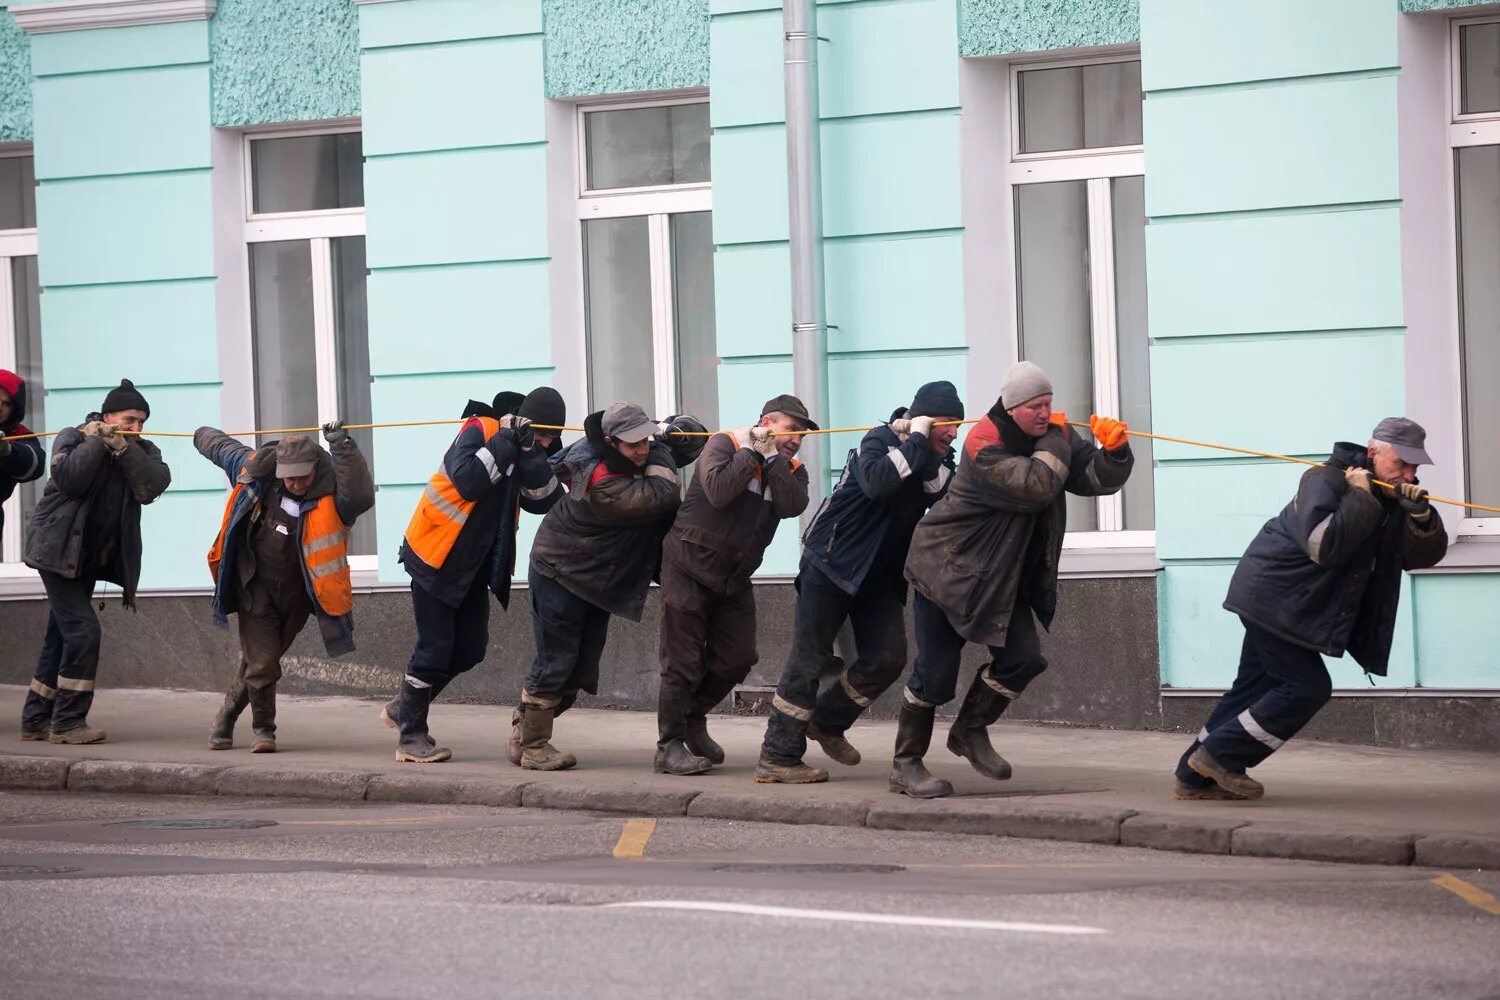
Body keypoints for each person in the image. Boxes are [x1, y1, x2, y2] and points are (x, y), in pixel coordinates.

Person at [1174, 418, 1448, 800]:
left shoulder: (1392, 497)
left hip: (1291, 603)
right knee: (1307, 687)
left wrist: (1421, 518)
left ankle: (1192, 775)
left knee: (1253, 689)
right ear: (1373, 453)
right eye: (1403, 463)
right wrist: (1360, 497)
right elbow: (1324, 546)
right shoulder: (1327, 480)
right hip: (1274, 597)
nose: (1410, 473)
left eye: (1416, 466)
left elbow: (1417, 557)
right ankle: (1219, 757)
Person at [896, 362, 1132, 798]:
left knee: (1023, 659)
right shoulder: (984, 442)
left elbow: (1091, 478)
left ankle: (969, 730)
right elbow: (1038, 484)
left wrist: (1115, 452)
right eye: (1036, 406)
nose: (1046, 412)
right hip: (947, 573)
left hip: (999, 579)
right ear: (1014, 407)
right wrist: (1058, 439)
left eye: (1049, 404)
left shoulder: (1051, 439)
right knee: (935, 677)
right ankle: (905, 763)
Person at [757, 381, 962, 784]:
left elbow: (944, 494)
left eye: (958, 425)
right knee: (809, 658)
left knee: (887, 657)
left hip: (879, 577)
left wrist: (926, 447)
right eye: (947, 424)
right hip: (831, 563)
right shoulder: (879, 440)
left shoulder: (932, 457)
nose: (954, 433)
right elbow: (879, 483)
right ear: (923, 419)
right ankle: (778, 756)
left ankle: (828, 723)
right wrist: (917, 441)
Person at [384, 387, 568, 764]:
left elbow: (546, 499)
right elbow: (468, 482)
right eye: (542, 433)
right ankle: (411, 737)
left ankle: (404, 706)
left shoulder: (529, 446)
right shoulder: (480, 428)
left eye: (551, 436)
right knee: (434, 649)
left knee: (471, 649)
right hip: (435, 556)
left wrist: (532, 450)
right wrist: (505, 438)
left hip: (472, 568)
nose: (547, 441)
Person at [516, 402, 697, 771]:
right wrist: (662, 444)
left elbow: (695, 443)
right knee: (556, 662)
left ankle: (522, 731)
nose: (643, 450)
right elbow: (663, 493)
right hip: (560, 572)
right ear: (610, 442)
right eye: (634, 445)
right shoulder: (600, 480)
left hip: (594, 578)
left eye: (646, 441)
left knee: (580, 670)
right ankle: (533, 745)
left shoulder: (612, 452)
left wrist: (674, 430)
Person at [655, 394, 813, 775]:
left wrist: (773, 457)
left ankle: (694, 715)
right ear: (766, 421)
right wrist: (752, 455)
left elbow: (792, 505)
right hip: (688, 565)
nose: (796, 439)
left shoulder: (792, 467)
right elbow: (718, 491)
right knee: (683, 663)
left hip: (733, 576)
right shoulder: (725, 442)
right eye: (790, 430)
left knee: (738, 658)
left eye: (802, 435)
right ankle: (669, 745)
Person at [196, 421, 375, 753]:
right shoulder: (261, 476)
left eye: (302, 478)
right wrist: (200, 433)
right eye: (289, 477)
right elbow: (223, 450)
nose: (294, 484)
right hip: (255, 587)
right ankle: (264, 730)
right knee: (263, 662)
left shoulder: (333, 494)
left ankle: (224, 718)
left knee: (263, 660)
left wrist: (343, 445)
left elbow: (361, 495)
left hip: (297, 597)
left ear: (315, 470)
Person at [20, 379, 171, 743]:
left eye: (141, 422)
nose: (136, 428)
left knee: (61, 634)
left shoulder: (142, 450)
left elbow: (152, 486)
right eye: (129, 420)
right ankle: (68, 722)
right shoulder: (72, 437)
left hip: (86, 559)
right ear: (107, 415)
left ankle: (35, 718)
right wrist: (95, 442)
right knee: (84, 631)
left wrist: (121, 446)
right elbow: (70, 479)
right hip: (56, 552)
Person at [0, 369, 45, 550]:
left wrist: (8, 451)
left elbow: (35, 465)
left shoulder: (19, 435)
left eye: (6, 403)